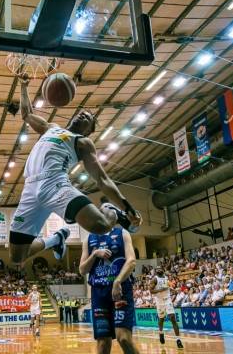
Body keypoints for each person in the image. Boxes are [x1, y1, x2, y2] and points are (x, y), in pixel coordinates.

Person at [9, 76, 142, 265]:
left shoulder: (83, 142)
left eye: (88, 118)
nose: (83, 115)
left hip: (55, 184)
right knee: (17, 258)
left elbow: (102, 179)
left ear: (88, 131)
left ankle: (111, 210)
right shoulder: (51, 128)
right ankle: (55, 240)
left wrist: (126, 207)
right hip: (30, 188)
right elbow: (27, 114)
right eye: (82, 113)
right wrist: (23, 86)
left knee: (101, 225)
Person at [79, 221, 138, 354]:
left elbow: (132, 261)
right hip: (99, 293)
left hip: (121, 289)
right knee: (103, 343)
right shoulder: (88, 239)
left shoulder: (123, 233)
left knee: (124, 338)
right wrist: (94, 254)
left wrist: (117, 281)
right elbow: (82, 270)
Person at [149, 267, 183, 349]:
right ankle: (161, 333)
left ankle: (178, 340)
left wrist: (172, 289)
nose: (159, 270)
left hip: (167, 299)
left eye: (160, 269)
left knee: (173, 318)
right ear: (156, 271)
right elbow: (151, 291)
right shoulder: (154, 279)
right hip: (159, 301)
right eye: (157, 269)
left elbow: (166, 287)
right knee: (161, 319)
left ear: (163, 270)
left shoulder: (166, 278)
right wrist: (161, 290)